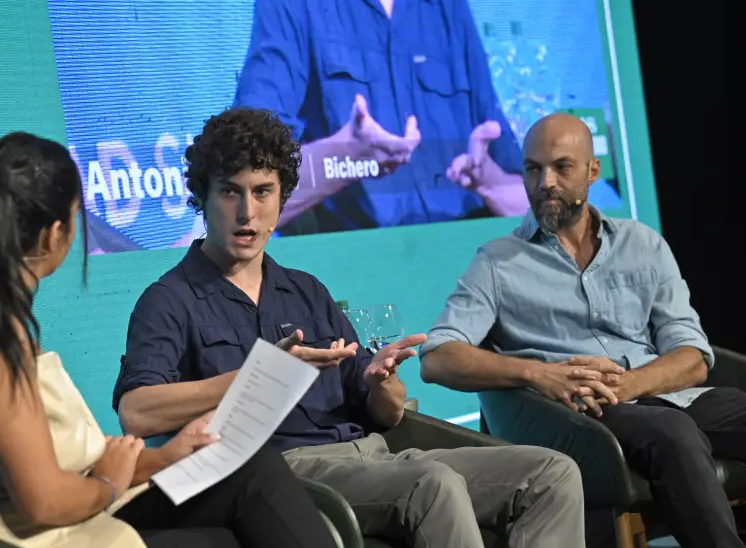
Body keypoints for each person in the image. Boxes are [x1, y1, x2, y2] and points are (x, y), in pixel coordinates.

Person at [114, 106, 588, 548]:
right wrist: (261, 373)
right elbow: (137, 414)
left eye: (262, 192)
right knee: (433, 485)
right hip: (284, 477)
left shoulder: (306, 291)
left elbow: (386, 411)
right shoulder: (169, 300)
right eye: (229, 192)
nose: (246, 213)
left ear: (282, 198)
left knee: (553, 472)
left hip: (375, 454)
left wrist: (383, 382)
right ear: (202, 196)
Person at [0, 132, 339, 548]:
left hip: (78, 514)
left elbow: (65, 459)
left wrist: (164, 457)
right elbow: (45, 502)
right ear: (55, 234)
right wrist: (108, 483)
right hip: (51, 534)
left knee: (242, 499)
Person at [419, 112, 746, 548]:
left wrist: (631, 384)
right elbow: (437, 357)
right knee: (673, 434)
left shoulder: (642, 243)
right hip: (582, 414)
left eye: (562, 167)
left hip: (660, 393)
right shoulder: (498, 262)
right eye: (532, 169)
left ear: (593, 171)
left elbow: (692, 355)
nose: (545, 182)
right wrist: (537, 373)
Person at [232, 0, 530, 236]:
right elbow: (242, 188)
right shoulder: (293, 6)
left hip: (469, 262)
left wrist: (487, 179)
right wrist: (344, 158)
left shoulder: (448, 7)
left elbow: (524, 202)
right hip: (356, 269)